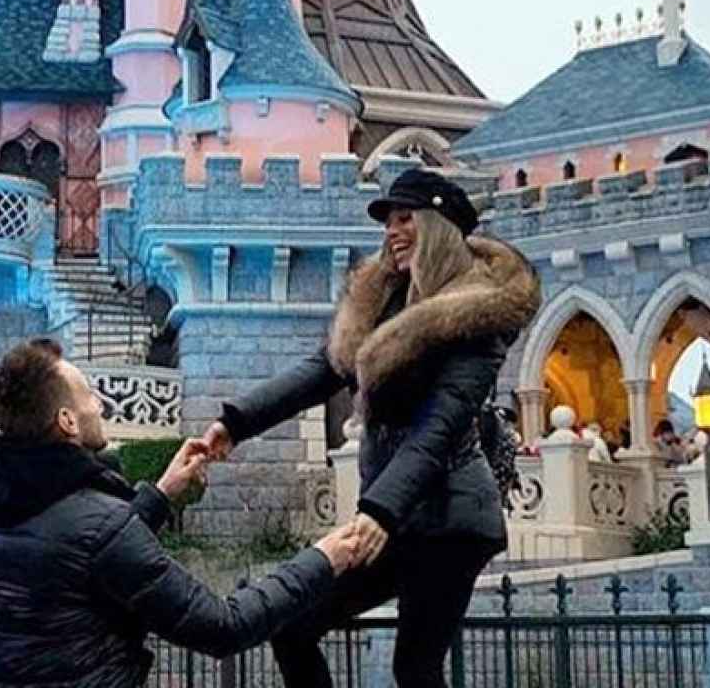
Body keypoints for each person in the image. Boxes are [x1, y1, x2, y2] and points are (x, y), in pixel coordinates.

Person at [197, 169, 541, 688]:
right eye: (388, 222)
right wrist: (235, 421)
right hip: (396, 514)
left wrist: (379, 509)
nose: (392, 231)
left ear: (440, 225)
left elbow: (441, 423)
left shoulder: (479, 315)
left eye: (406, 219)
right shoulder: (385, 300)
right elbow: (323, 370)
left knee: (416, 668)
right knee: (291, 625)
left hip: (450, 518)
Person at [0, 338, 365, 688]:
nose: (101, 404)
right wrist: (320, 559)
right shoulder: (100, 524)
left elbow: (82, 556)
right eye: (90, 395)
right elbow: (222, 626)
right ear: (67, 421)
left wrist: (162, 493)